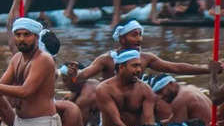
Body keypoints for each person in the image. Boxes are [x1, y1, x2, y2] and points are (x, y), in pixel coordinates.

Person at [69, 20, 211, 83]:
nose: (139, 39)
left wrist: (207, 69)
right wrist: (75, 74)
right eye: (134, 35)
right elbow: (84, 75)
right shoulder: (106, 59)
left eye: (140, 34)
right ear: (123, 39)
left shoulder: (145, 58)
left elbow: (175, 67)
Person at [90, 50, 155, 126]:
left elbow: (149, 121)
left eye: (139, 66)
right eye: (134, 66)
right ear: (121, 67)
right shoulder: (104, 89)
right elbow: (116, 122)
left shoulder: (146, 90)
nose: (139, 70)